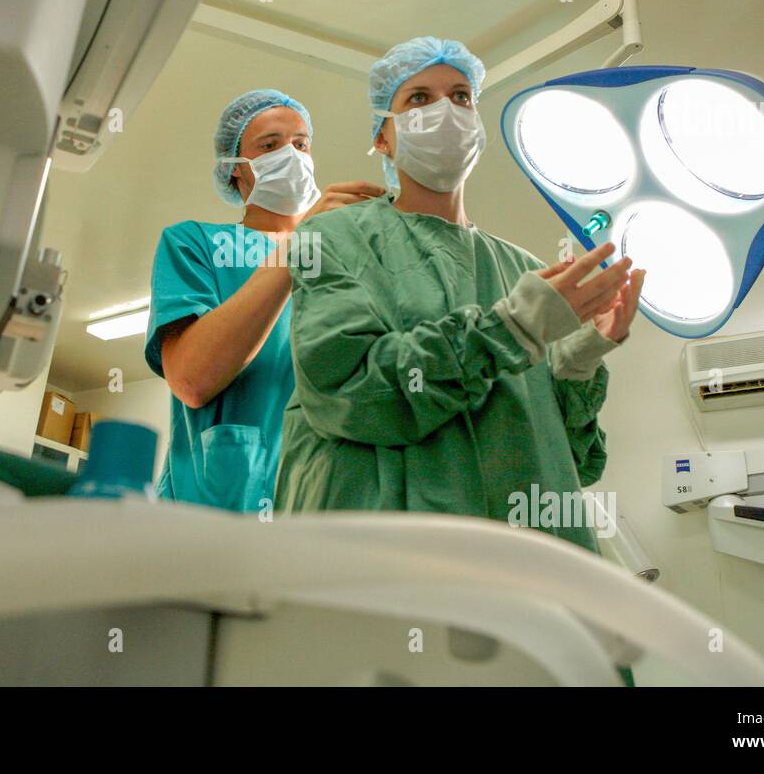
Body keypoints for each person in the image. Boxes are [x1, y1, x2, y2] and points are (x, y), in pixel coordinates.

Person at [275, 38, 646, 555]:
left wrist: (578, 363)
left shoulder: (522, 269)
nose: (446, 111)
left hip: (530, 563)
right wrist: (512, 329)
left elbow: (573, 464)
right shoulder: (334, 238)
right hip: (391, 562)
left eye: (461, 96)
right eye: (419, 99)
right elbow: (349, 393)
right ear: (382, 137)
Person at [145, 89, 383, 512]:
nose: (292, 156)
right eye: (270, 145)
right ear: (235, 169)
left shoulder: (348, 258)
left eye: (301, 143)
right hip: (220, 507)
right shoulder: (196, 243)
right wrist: (301, 242)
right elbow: (192, 380)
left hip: (331, 502)